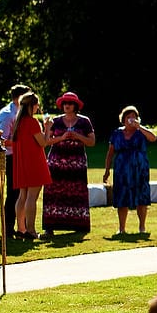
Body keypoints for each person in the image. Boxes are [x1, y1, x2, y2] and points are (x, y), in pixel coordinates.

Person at [43, 91, 95, 238]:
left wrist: (78, 136)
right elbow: (46, 141)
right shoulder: (56, 121)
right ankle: (50, 226)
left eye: (70, 103)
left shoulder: (84, 121)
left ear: (75, 106)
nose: (67, 105)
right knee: (53, 193)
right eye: (65, 103)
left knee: (77, 192)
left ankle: (79, 224)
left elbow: (92, 142)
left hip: (76, 162)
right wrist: (61, 137)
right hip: (56, 162)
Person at [103, 105, 157, 236]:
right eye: (129, 117)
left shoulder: (141, 132)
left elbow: (153, 137)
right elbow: (110, 153)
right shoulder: (117, 133)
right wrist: (107, 170)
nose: (131, 119)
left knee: (141, 197)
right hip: (121, 169)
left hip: (140, 169)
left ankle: (142, 227)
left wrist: (140, 126)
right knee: (122, 197)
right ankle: (121, 228)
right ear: (123, 119)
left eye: (134, 117)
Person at [10, 91, 51, 241]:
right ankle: (31, 230)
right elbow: (43, 143)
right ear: (32, 106)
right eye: (36, 105)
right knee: (31, 197)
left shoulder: (18, 123)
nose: (37, 108)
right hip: (34, 162)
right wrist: (47, 128)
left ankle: (21, 228)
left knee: (23, 196)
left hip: (22, 163)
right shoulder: (32, 122)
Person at [0, 83, 31, 238]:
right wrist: (24, 142)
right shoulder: (8, 114)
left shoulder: (18, 112)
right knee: (13, 193)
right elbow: (1, 140)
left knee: (21, 193)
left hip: (19, 156)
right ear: (19, 97)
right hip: (10, 157)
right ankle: (8, 228)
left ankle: (20, 227)